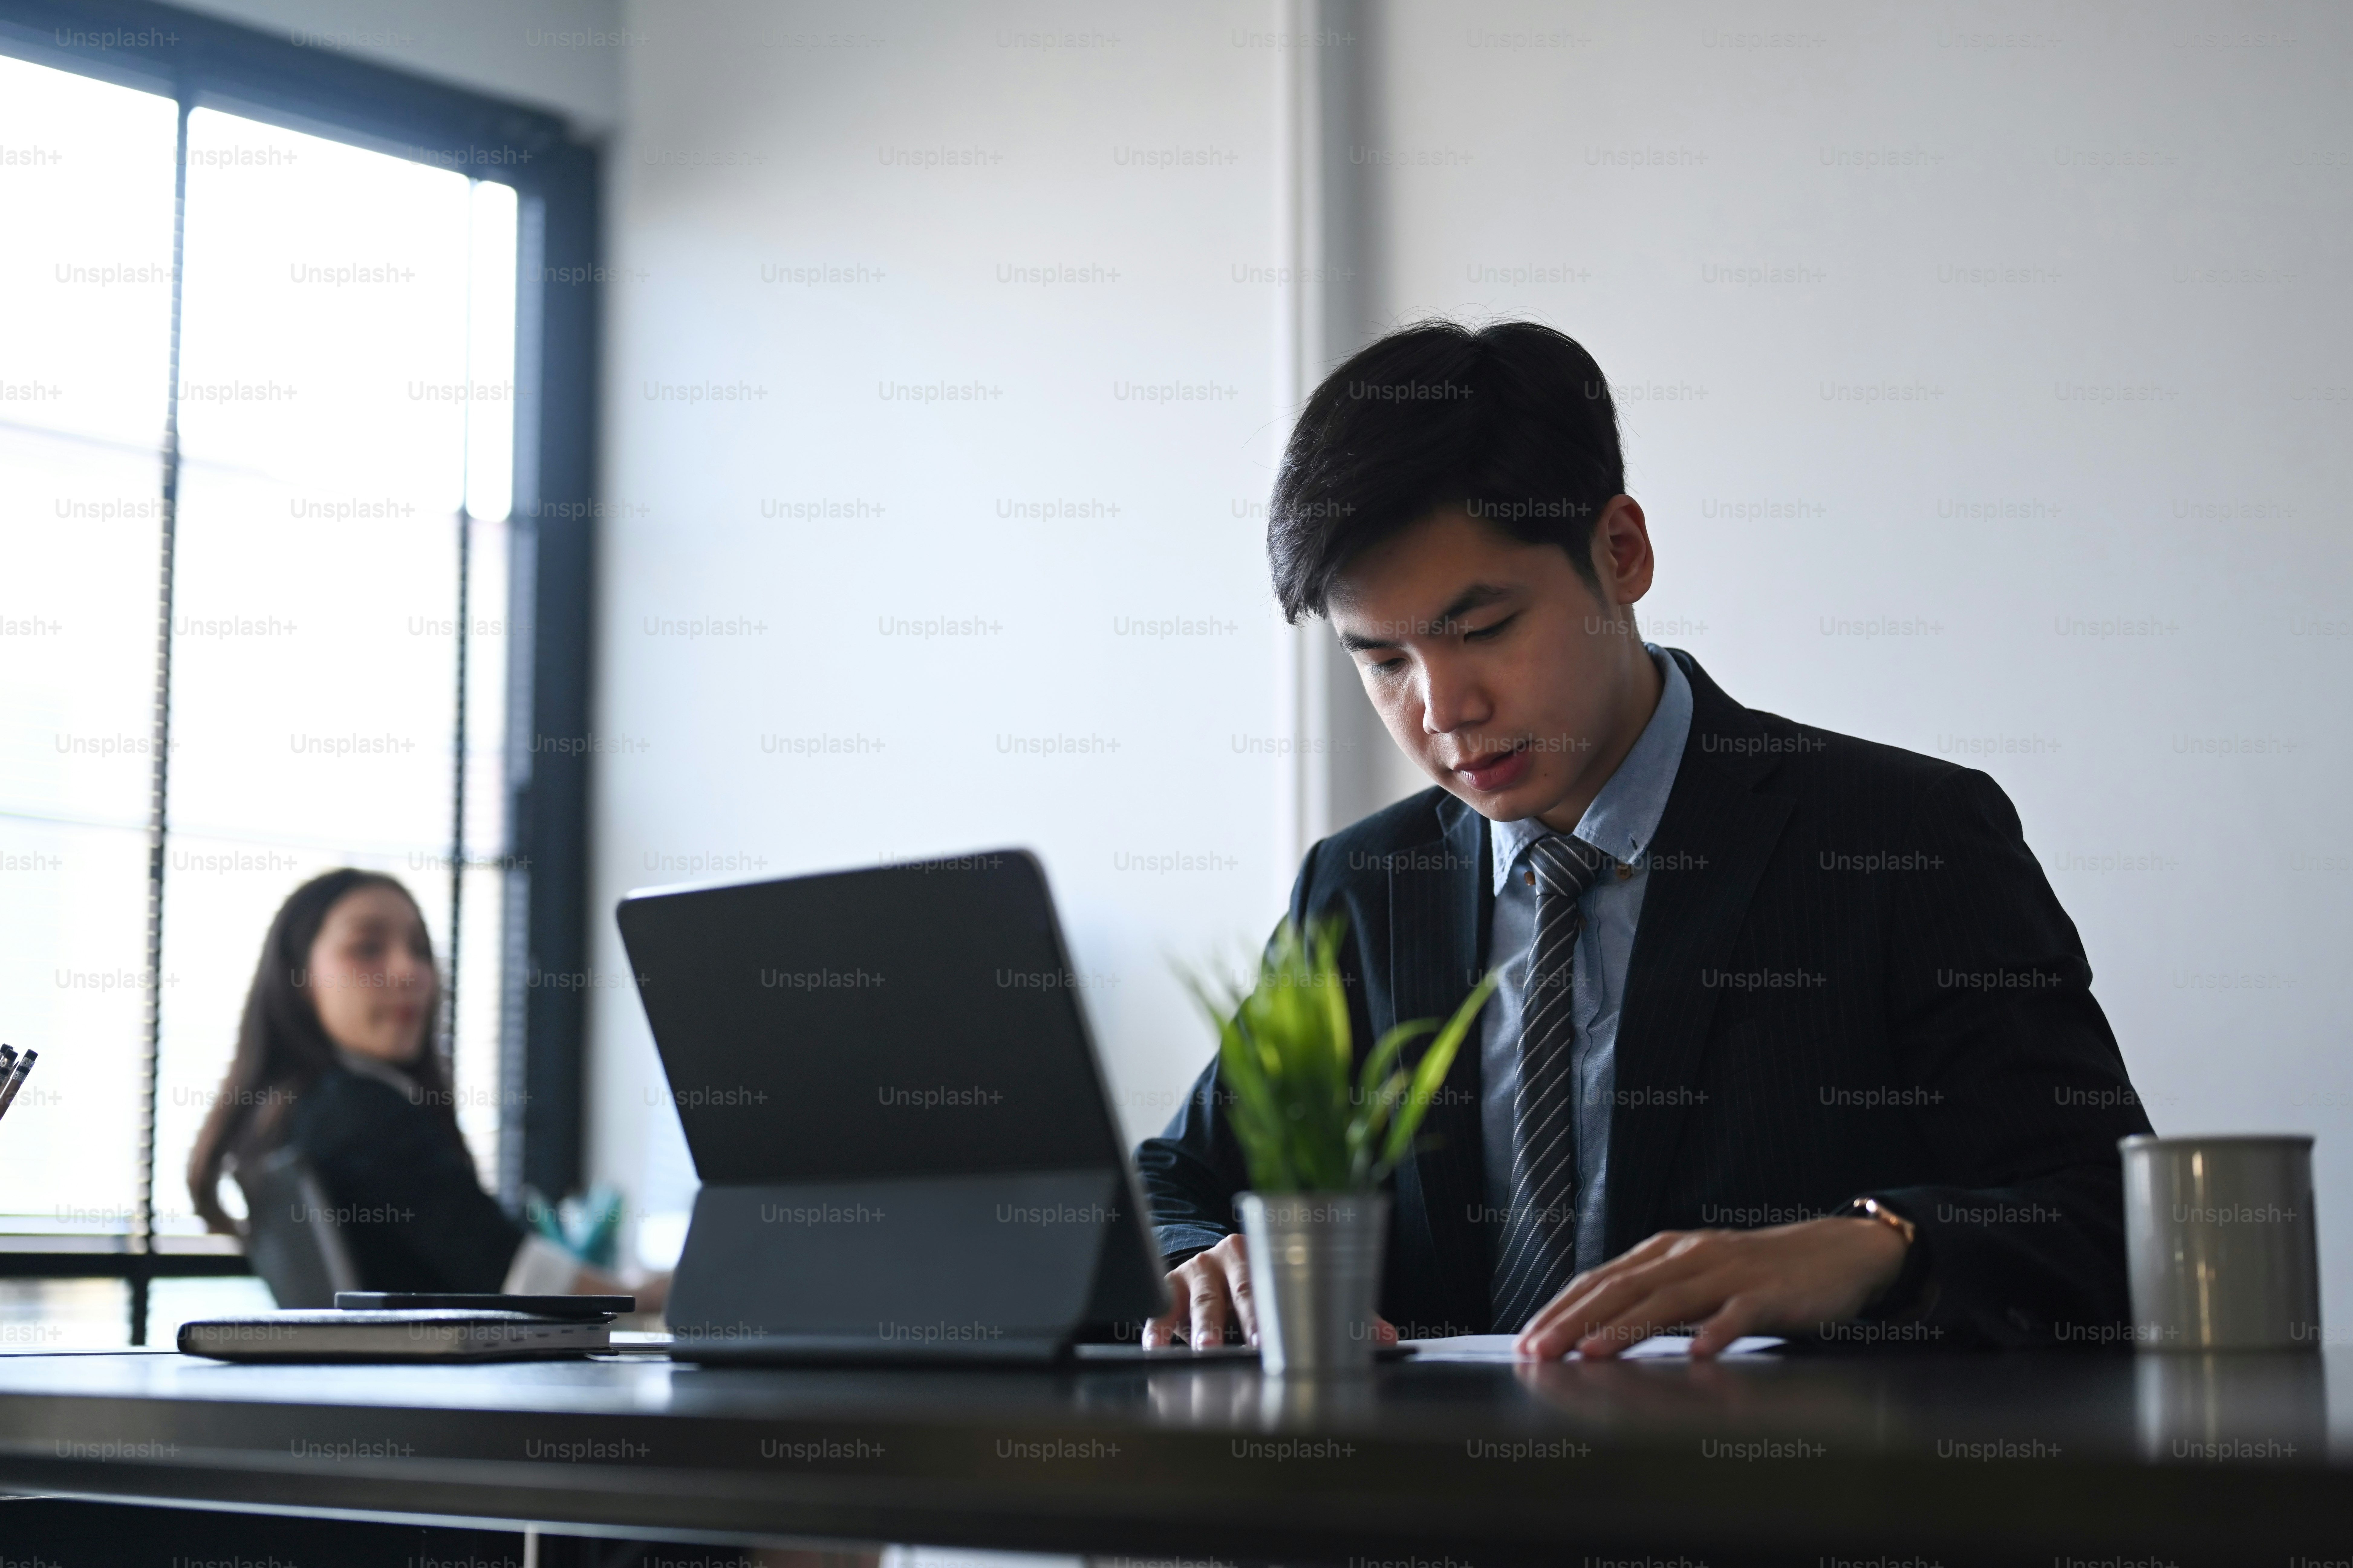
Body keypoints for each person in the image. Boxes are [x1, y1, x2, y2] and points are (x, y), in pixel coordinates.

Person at [1137, 321, 2153, 1357]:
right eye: (1384, 660)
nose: (1444, 707)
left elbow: (2110, 1220)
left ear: (1621, 553)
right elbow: (1168, 1178)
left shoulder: (1901, 838)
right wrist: (1197, 1249)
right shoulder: (1358, 883)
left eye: (1483, 628)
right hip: (1434, 1504)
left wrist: (1877, 1245)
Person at [189, 868, 657, 1305]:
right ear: (299, 978)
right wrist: (654, 1296)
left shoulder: (288, 1113)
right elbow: (521, 1280)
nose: (410, 972)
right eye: (368, 948)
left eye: (420, 950)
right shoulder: (358, 1111)